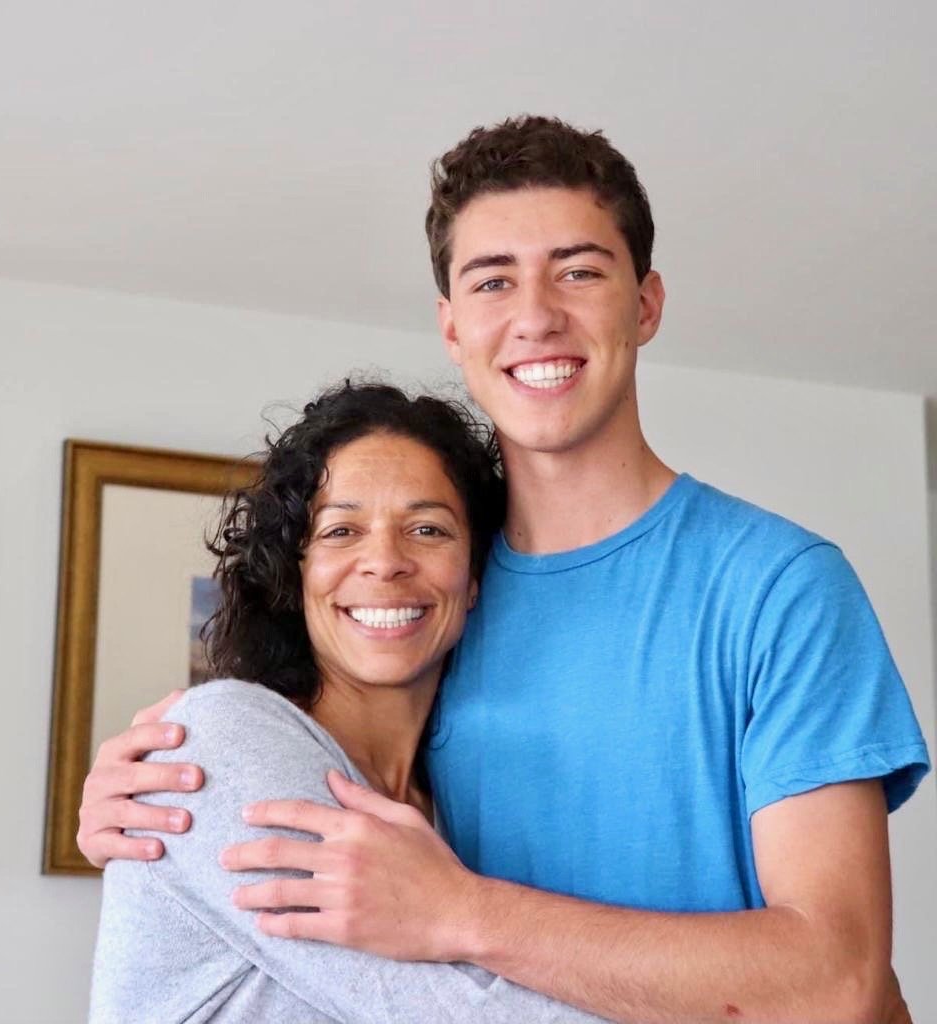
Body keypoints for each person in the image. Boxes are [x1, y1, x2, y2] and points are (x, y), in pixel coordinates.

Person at [80, 117, 929, 1023]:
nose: (536, 317)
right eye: (493, 280)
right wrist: (147, 820)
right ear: (452, 326)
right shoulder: (428, 620)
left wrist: (464, 913)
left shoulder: (780, 588)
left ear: (645, 304)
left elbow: (835, 985)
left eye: (579, 271)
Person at [89, 381, 617, 1023]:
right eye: (341, 530)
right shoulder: (219, 739)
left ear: (474, 576)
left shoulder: (461, 808)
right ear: (297, 572)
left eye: (427, 529)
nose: (385, 562)